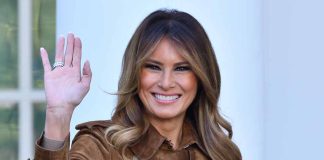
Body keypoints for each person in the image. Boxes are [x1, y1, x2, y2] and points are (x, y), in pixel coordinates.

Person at [34, 9, 242, 160]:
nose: (166, 83)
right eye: (153, 67)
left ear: (201, 76)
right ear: (135, 73)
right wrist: (57, 116)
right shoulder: (102, 147)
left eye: (181, 68)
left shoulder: (220, 153)